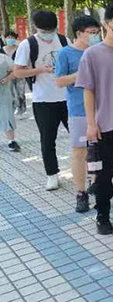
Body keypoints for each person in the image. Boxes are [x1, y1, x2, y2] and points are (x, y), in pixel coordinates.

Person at [75, 5, 113, 235]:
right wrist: (91, 124)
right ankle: (103, 215)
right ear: (105, 26)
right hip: (104, 126)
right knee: (103, 176)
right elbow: (88, 91)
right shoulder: (92, 54)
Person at [13, 11, 69, 190]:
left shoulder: (64, 40)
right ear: (35, 27)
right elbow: (17, 72)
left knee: (80, 137)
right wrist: (39, 70)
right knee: (47, 140)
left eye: (51, 31)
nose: (48, 35)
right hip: (43, 100)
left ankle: (91, 173)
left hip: (68, 98)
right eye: (44, 31)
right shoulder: (28, 44)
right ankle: (52, 175)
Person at [55, 16, 102, 213]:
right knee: (80, 152)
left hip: (102, 110)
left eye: (97, 33)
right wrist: (80, 74)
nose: (95, 36)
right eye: (91, 33)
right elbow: (59, 81)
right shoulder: (65, 53)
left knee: (99, 151)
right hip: (78, 111)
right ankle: (81, 193)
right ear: (79, 33)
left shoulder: (99, 51)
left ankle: (97, 185)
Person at [0, 45, 20, 152]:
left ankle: (11, 141)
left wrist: (7, 78)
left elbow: (15, 71)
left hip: (4, 93)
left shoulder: (4, 58)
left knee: (7, 116)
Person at [2, 32, 27, 117]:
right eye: (8, 37)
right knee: (10, 93)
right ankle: (12, 109)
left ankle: (22, 110)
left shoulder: (19, 49)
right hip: (6, 75)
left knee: (20, 92)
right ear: (5, 39)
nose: (10, 39)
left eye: (12, 37)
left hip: (19, 74)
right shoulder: (1, 50)